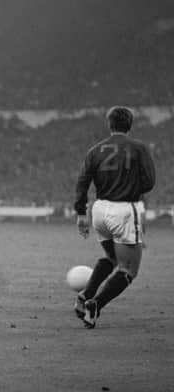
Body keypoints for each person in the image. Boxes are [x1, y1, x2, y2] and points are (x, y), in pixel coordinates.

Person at [73, 106, 155, 329]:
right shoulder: (138, 149)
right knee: (129, 269)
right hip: (125, 210)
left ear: (110, 125)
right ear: (130, 125)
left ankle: (85, 295)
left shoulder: (95, 150)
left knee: (112, 257)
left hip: (99, 210)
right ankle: (95, 304)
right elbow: (149, 183)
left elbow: (82, 183)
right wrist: (130, 184)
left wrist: (81, 213)